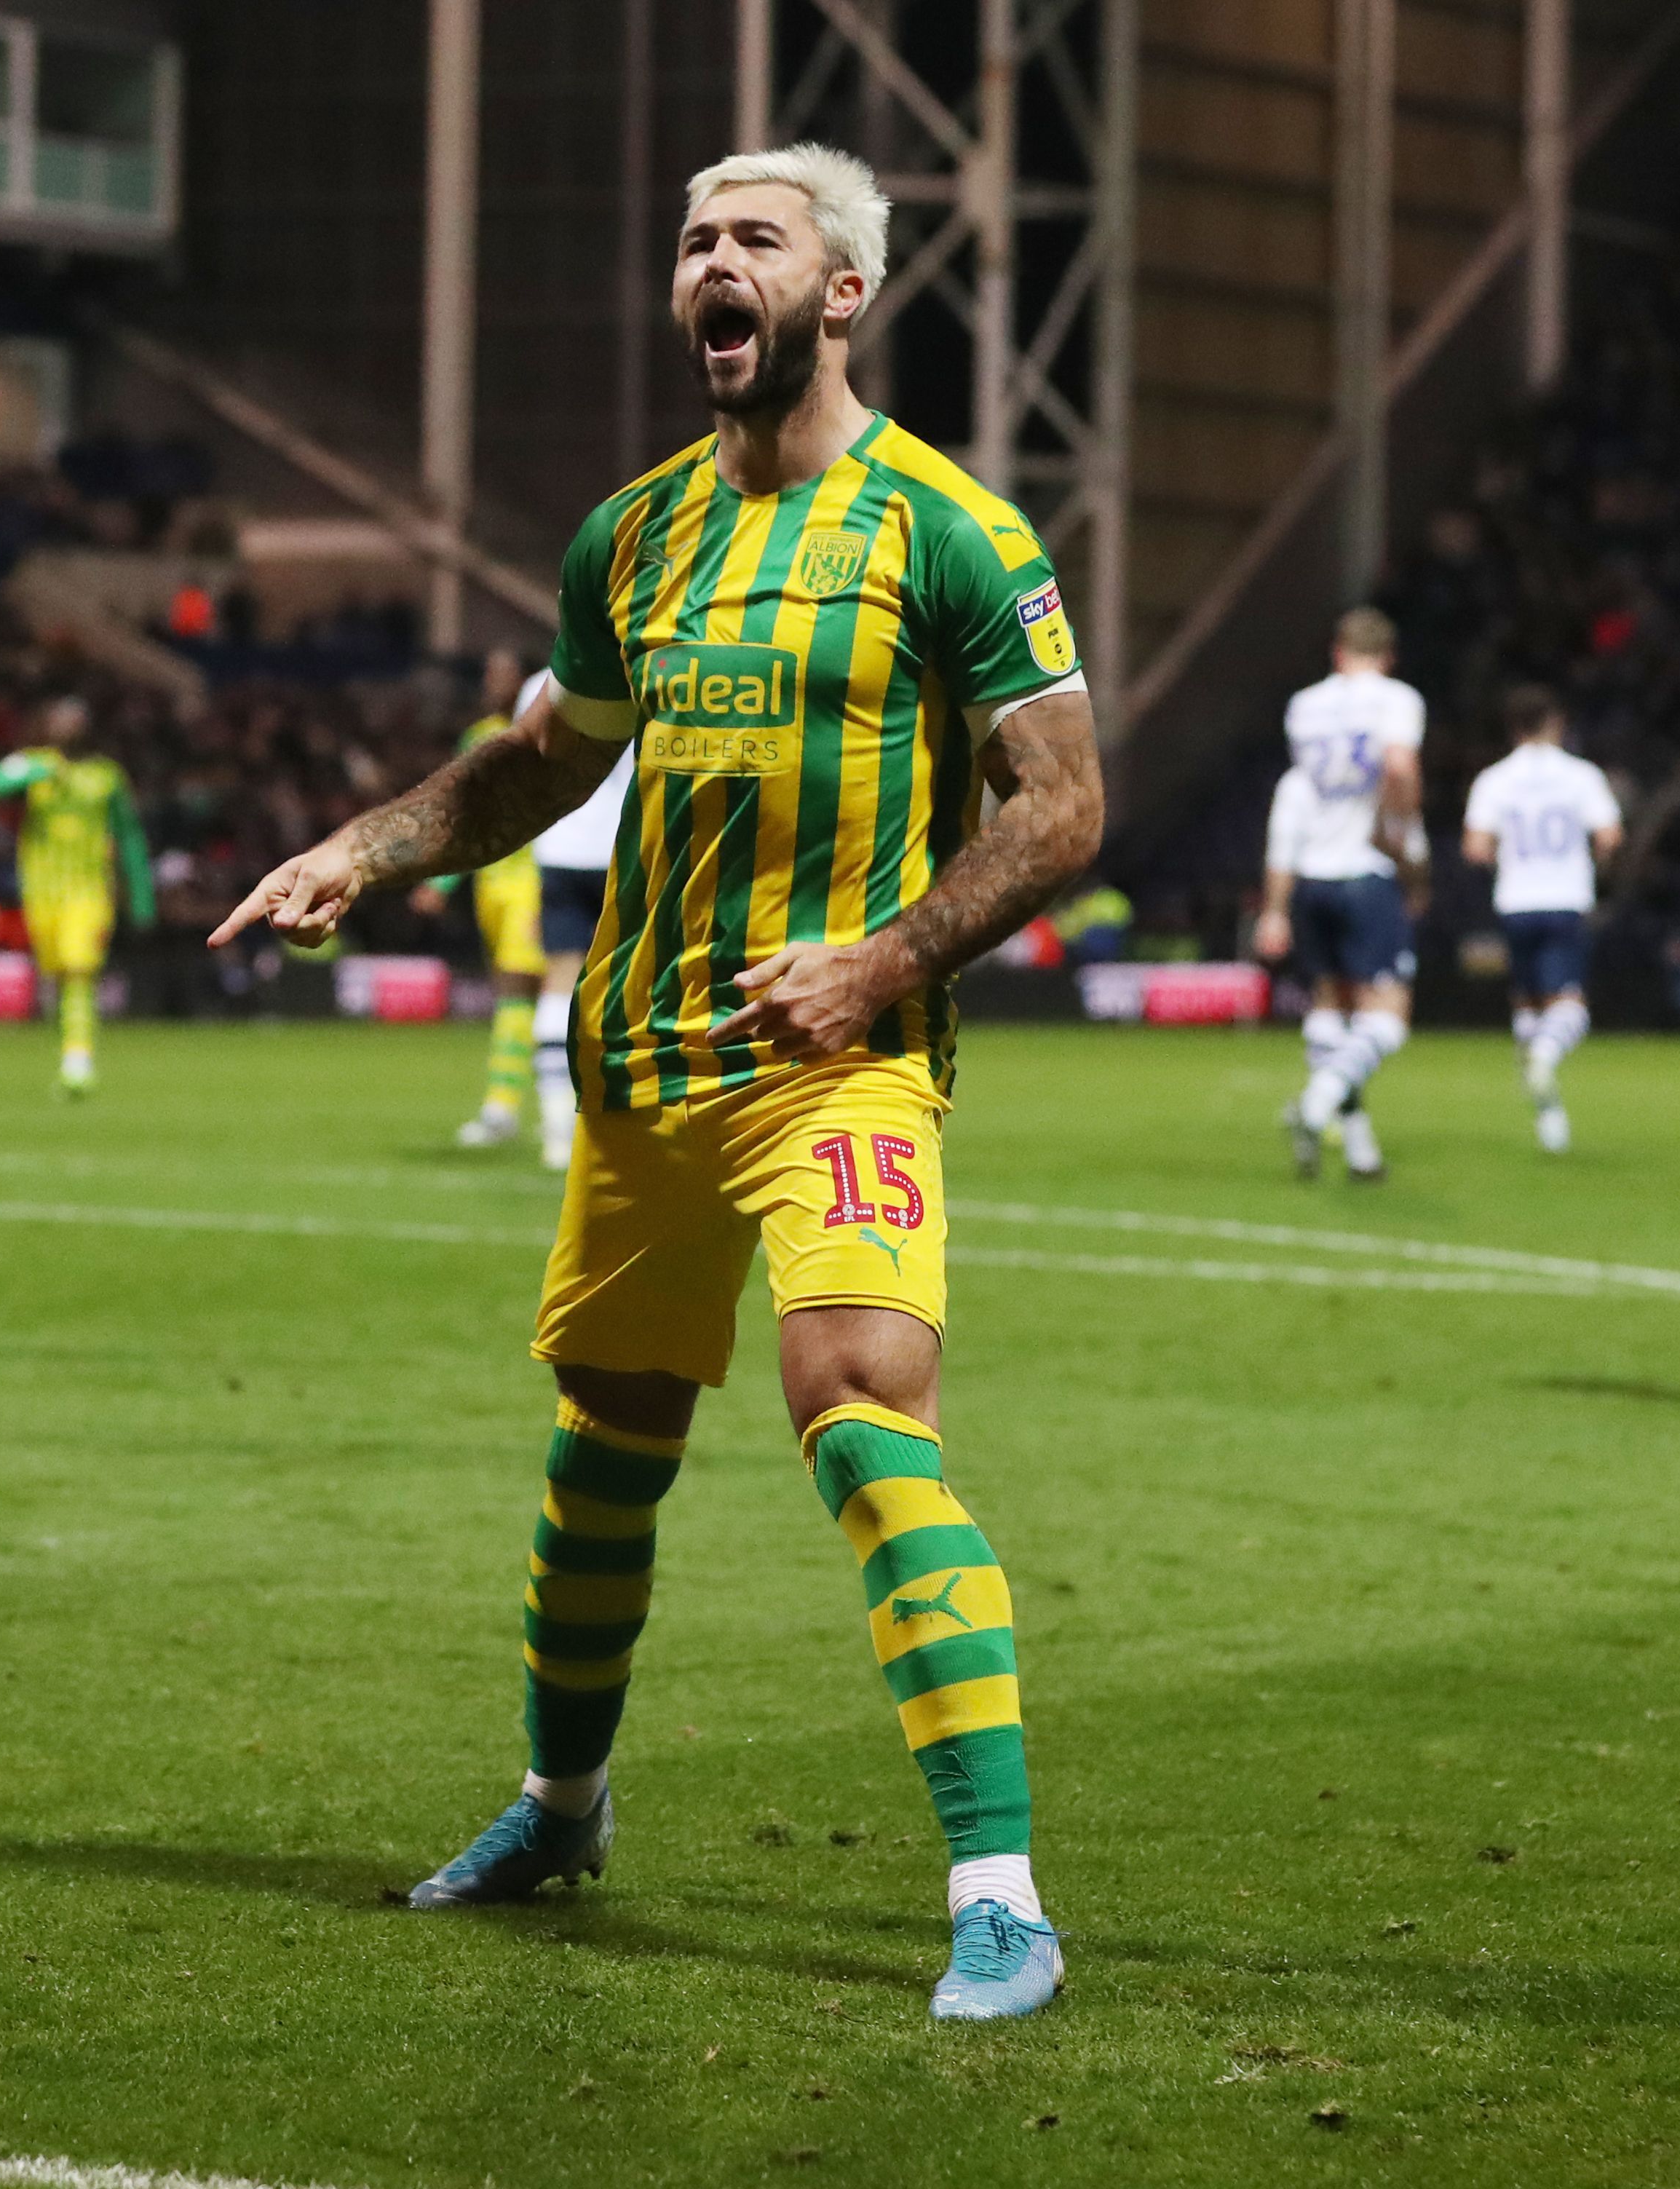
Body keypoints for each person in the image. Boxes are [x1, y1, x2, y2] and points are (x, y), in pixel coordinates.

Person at [213, 141, 1102, 2022]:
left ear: (838, 290)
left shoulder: (948, 530)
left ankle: (999, 1887)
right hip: (633, 1067)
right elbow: (542, 764)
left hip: (836, 1064)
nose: (710, 263)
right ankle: (559, 1802)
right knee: (603, 1452)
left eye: (751, 239)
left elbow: (1061, 801)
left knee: (858, 1413)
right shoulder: (630, 537)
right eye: (692, 240)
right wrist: (363, 848)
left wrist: (884, 957)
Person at [1252, 606, 1426, 1181]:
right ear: (1389, 655)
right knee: (1387, 1018)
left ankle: (1358, 1149)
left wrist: (1274, 909)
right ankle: (1316, 1102)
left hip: (1311, 878)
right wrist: (1400, 833)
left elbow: (1300, 793)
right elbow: (1398, 767)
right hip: (1364, 872)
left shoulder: (1303, 706)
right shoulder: (1395, 700)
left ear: (1337, 652)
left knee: (1330, 1005)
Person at [1459, 684, 1622, 1153]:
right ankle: (1545, 1064)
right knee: (1569, 1007)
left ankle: (1547, 1112)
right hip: (1566, 898)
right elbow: (1609, 836)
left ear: (1513, 727)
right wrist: (1596, 869)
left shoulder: (1494, 779)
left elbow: (1475, 848)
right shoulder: (1581, 775)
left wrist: (1508, 861)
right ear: (1556, 723)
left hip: (1515, 901)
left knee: (1528, 1005)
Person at [0, 694, 154, 1098]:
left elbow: (128, 837)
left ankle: (79, 1061)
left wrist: (141, 897)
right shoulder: (37, 767)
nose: (67, 726)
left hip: (88, 892)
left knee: (78, 971)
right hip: (42, 893)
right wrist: (25, 769)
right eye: (59, 718)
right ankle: (69, 1054)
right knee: (58, 975)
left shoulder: (106, 777)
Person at [419, 646, 550, 1147]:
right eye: (489, 672)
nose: (495, 681)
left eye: (505, 672)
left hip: (534, 882)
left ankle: (507, 1106)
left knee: (526, 990)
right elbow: (466, 816)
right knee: (511, 994)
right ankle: (527, 1104)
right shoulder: (478, 737)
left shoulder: (547, 734)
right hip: (491, 884)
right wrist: (443, 881)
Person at [520, 661, 633, 1172]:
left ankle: (556, 1134)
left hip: (560, 848)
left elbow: (527, 768)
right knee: (633, 984)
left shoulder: (541, 683)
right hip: (624, 848)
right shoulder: (649, 665)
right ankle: (626, 1122)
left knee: (559, 981)